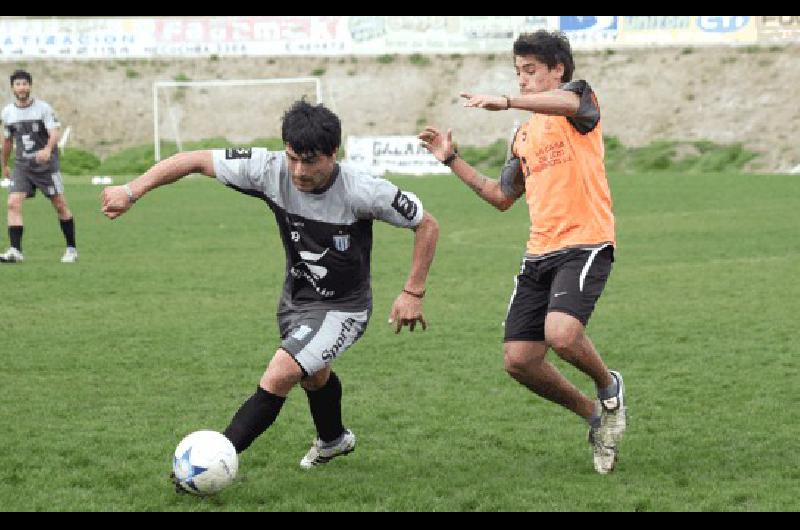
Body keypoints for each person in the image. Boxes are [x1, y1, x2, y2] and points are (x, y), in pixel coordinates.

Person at [101, 100, 439, 478]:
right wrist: (132, 190)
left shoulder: (364, 190)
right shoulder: (268, 169)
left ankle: (208, 466)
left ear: (333, 154)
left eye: (310, 161)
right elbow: (194, 159)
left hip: (345, 307)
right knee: (313, 373)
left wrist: (413, 291)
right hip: (295, 299)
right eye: (293, 158)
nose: (298, 171)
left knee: (281, 372)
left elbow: (427, 224)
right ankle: (333, 439)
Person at [419, 30, 626, 474]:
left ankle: (610, 386)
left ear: (558, 70)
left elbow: (567, 103)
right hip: (539, 254)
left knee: (563, 334)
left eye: (531, 72)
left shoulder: (580, 103)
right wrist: (451, 159)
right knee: (519, 361)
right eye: (518, 74)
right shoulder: (523, 138)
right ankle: (594, 415)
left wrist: (508, 100)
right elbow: (500, 196)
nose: (524, 80)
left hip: (585, 241)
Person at [1, 70, 77, 263]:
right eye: (18, 84)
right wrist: (4, 165)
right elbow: (7, 141)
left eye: (25, 84)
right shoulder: (8, 112)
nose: (22, 87)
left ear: (30, 86)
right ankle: (15, 251)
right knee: (12, 203)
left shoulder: (43, 108)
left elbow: (54, 133)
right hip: (22, 166)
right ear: (13, 88)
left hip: (46, 166)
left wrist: (48, 149)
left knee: (60, 205)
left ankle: (71, 249)